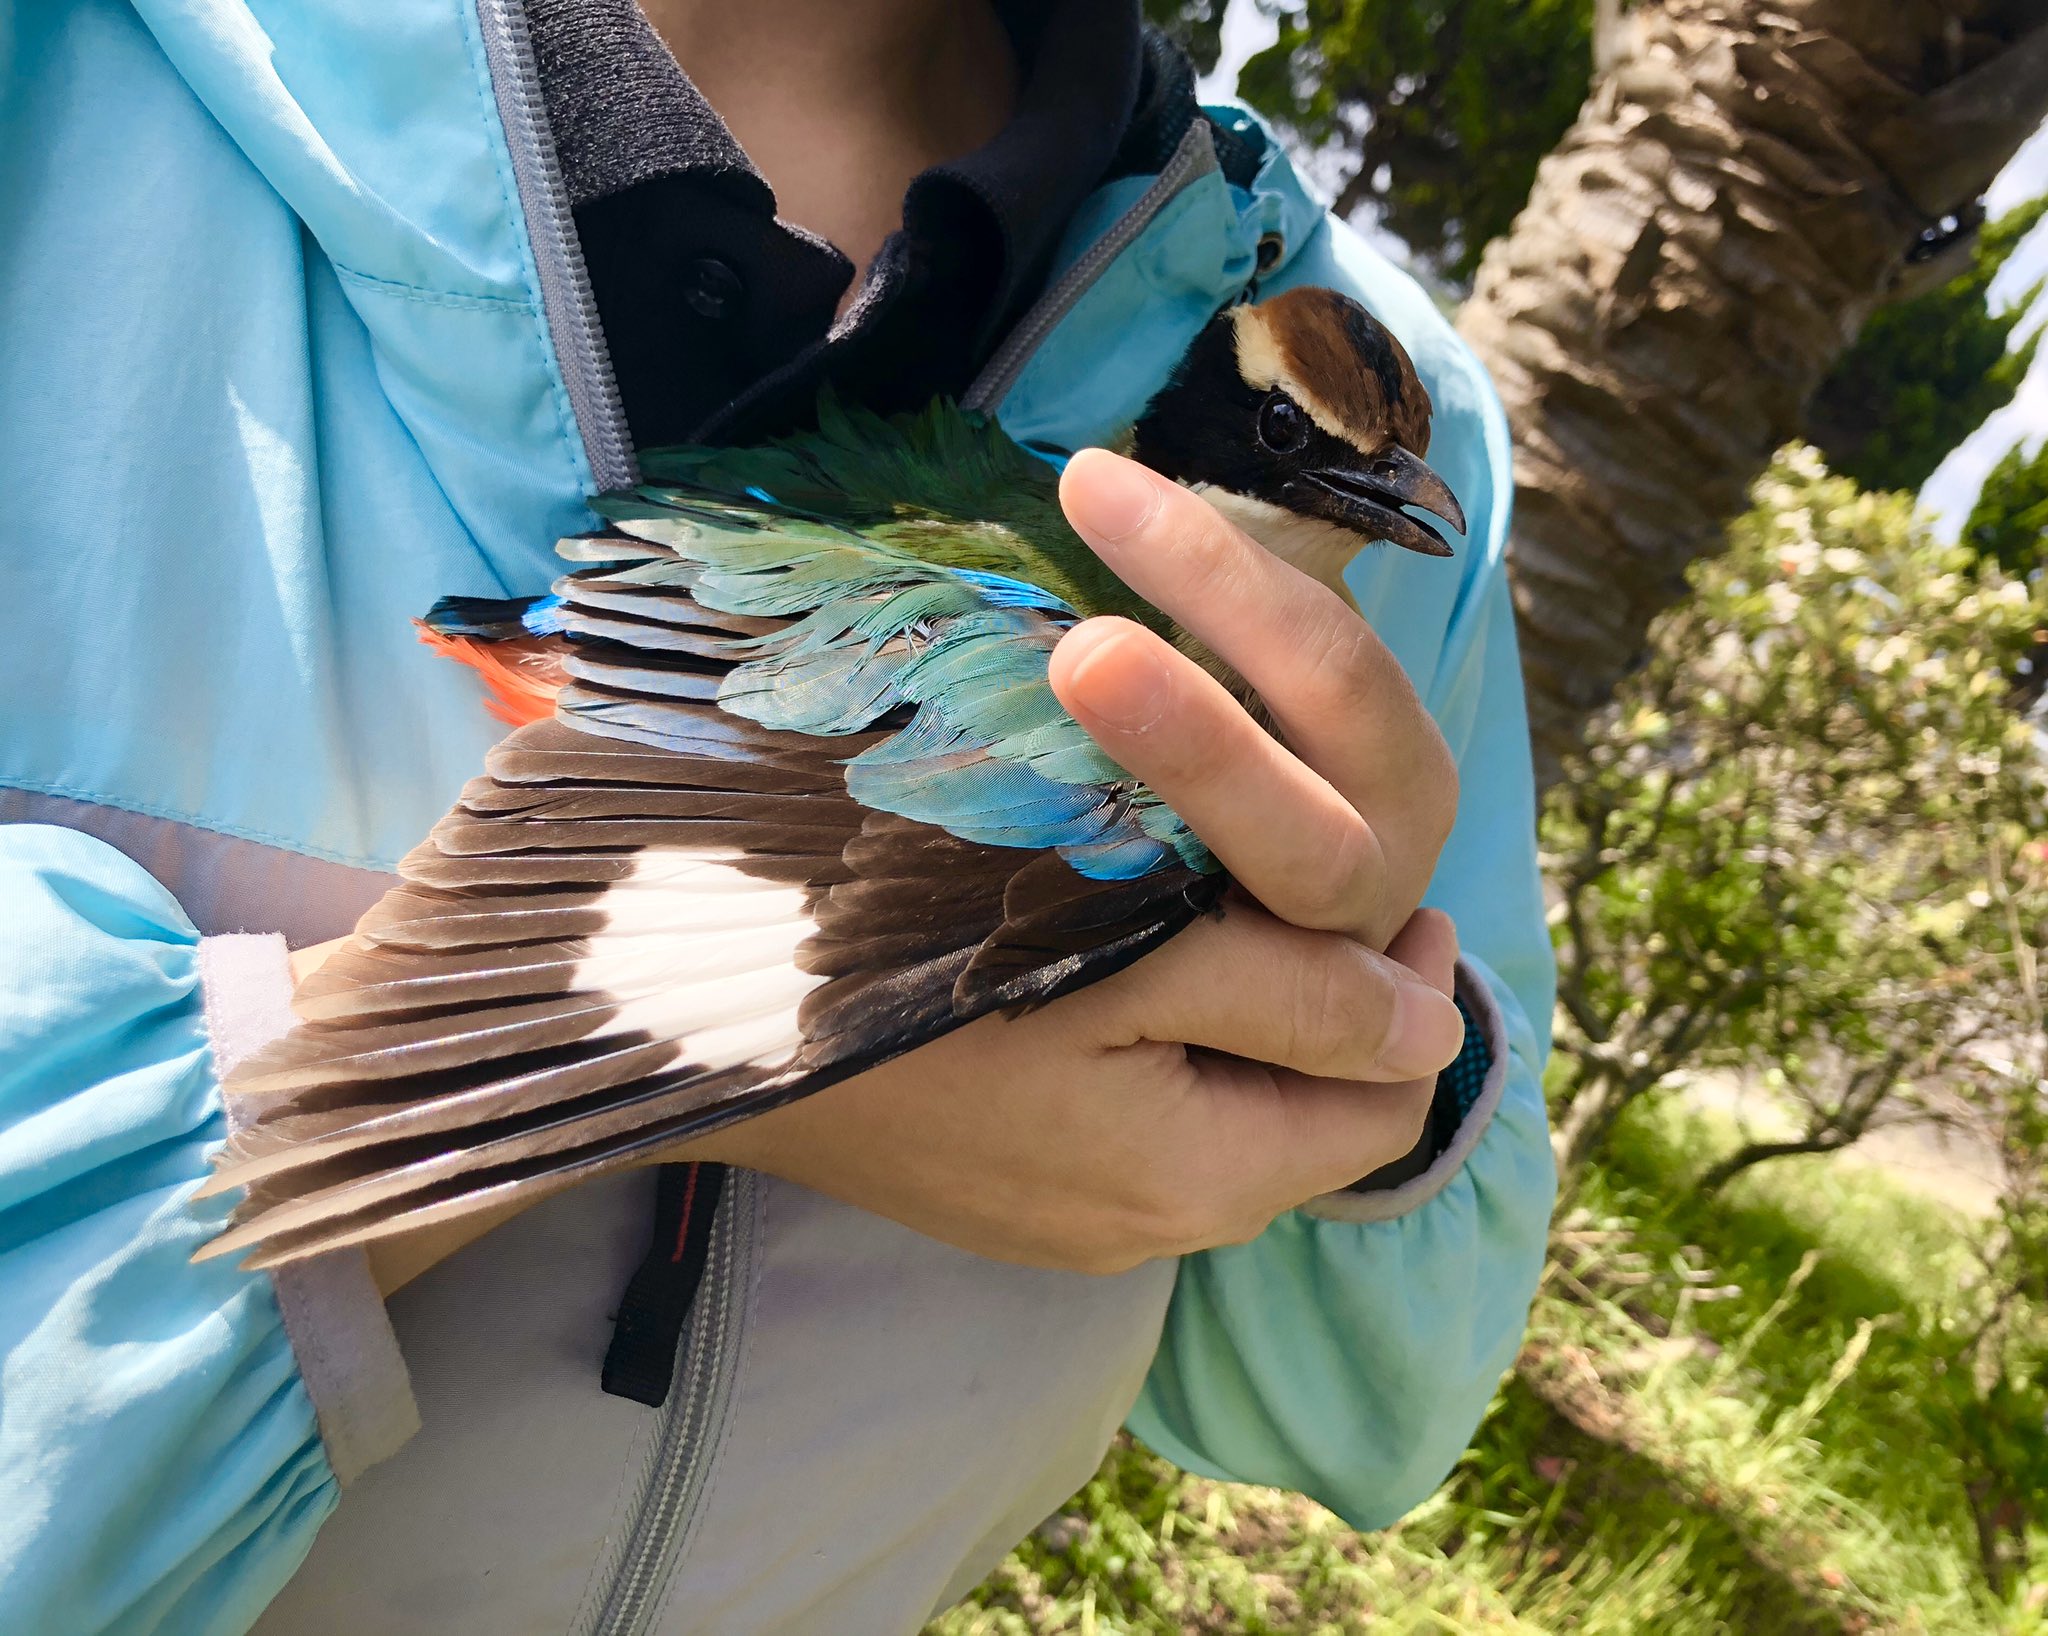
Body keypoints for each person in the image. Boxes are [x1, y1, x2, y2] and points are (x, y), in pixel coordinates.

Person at [0, 1, 1557, 1631]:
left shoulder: (1352, 418)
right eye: (1297, 448)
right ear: (1214, 429)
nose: (1368, 496)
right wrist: (674, 1056)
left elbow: (1371, 1419)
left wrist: (1382, 1038)